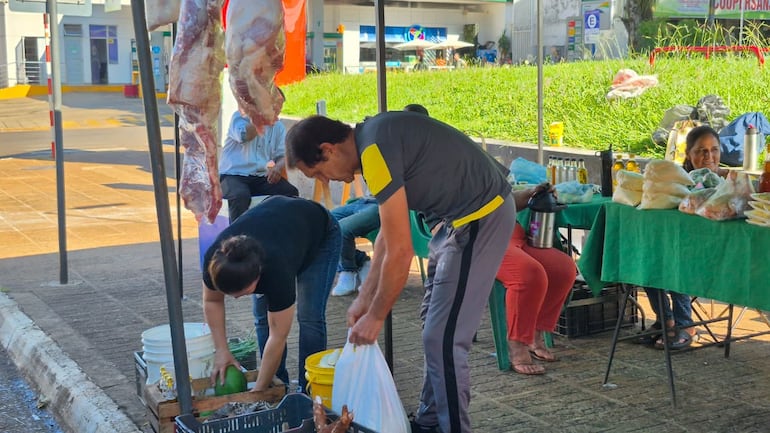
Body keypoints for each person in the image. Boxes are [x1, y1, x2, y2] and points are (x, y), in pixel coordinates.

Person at [286, 111, 516, 433]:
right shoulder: (373, 142)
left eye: (319, 172)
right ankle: (430, 421)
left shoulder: (374, 151)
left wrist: (376, 316)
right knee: (434, 329)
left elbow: (400, 252)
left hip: (480, 216)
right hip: (457, 222)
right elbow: (386, 238)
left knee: (444, 340)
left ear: (328, 149)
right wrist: (364, 301)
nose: (326, 181)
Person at [202, 196, 340, 392]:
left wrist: (257, 392)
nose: (235, 298)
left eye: (241, 293)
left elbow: (278, 336)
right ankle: (278, 385)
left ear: (258, 276)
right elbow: (212, 301)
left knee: (310, 318)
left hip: (320, 234)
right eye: (229, 293)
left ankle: (309, 389)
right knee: (262, 319)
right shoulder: (215, 259)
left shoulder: (277, 271)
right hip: (279, 225)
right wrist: (222, 350)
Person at [331, 104, 430, 297]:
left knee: (340, 229)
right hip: (364, 201)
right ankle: (359, 261)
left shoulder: (414, 149)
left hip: (383, 204)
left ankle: (348, 271)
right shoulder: (383, 142)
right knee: (323, 221)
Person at [642, 125, 725, 349]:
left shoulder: (725, 184)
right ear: (689, 154)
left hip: (712, 253)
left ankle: (686, 324)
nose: (709, 156)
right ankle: (665, 320)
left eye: (714, 150)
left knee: (676, 263)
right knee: (647, 262)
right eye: (701, 151)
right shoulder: (676, 183)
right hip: (678, 246)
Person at [496, 185, 576, 375]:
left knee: (562, 268)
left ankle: (534, 334)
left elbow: (503, 203)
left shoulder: (482, 166)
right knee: (528, 274)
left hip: (511, 234)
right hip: (479, 238)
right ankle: (518, 344)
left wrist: (530, 194)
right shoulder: (439, 172)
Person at [219, 89, 299, 224]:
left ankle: (278, 232)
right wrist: (262, 120)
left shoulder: (277, 126)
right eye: (274, 108)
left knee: (290, 192)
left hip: (260, 176)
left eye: (279, 109)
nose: (277, 114)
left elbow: (282, 155)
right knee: (240, 197)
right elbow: (244, 136)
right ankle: (237, 240)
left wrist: (278, 167)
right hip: (233, 175)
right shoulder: (240, 117)